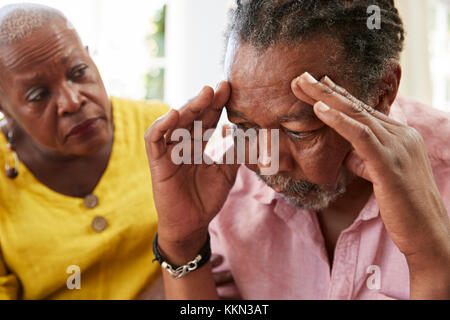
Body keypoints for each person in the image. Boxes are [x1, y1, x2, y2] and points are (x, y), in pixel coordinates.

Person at [146, 0, 450, 300]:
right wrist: (184, 243)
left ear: (382, 92)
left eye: (298, 132)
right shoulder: (222, 180)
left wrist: (430, 257)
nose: (266, 161)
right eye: (245, 127)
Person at [0, 3, 172, 299]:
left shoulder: (161, 128)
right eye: (38, 95)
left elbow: (211, 245)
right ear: (6, 109)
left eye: (78, 72)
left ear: (91, 60)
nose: (72, 101)